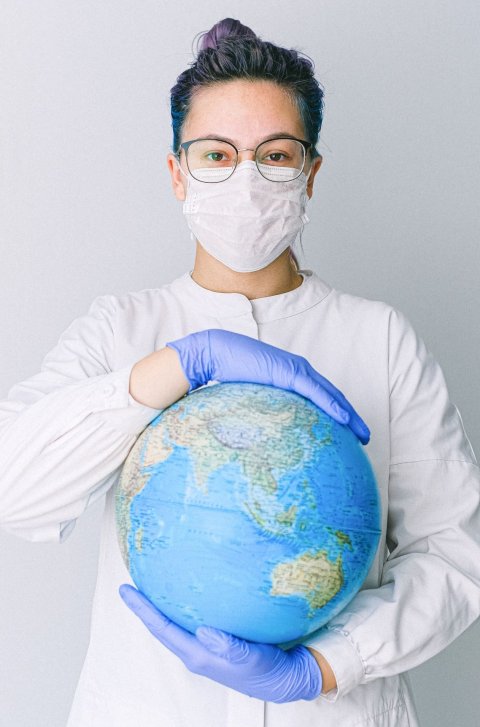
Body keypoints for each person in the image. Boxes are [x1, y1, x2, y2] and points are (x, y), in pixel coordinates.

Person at [1, 16, 479, 727]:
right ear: (176, 172)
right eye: (216, 154)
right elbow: (15, 490)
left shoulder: (380, 338)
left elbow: (456, 556)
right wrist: (177, 367)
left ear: (311, 172)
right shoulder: (119, 330)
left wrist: (322, 666)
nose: (245, 177)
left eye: (276, 155)